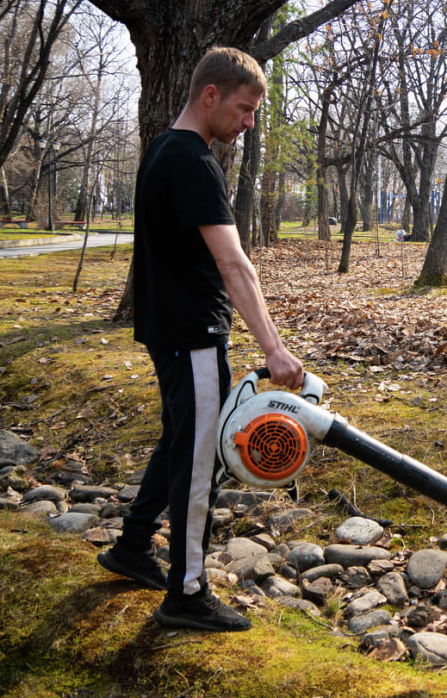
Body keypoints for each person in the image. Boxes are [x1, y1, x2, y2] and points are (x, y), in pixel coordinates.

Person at [97, 47, 304, 632]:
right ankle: (186, 593)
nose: (248, 123)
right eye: (243, 109)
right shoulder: (192, 160)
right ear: (209, 95)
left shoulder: (161, 150)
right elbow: (236, 265)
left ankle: (133, 545)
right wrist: (273, 347)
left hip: (168, 330)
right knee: (198, 459)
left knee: (177, 441)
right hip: (192, 335)